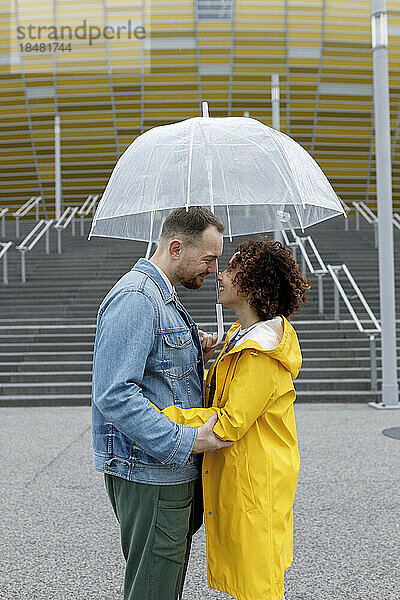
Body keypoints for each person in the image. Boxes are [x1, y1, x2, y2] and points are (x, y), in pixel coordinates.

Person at [153, 237, 309, 600]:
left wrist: (162, 417)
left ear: (254, 285)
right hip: (250, 480)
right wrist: (209, 348)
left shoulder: (260, 353)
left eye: (232, 268)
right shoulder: (243, 337)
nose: (219, 275)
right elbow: (224, 384)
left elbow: (229, 422)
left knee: (258, 587)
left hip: (256, 485)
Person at [91, 206, 233, 600]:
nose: (214, 269)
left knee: (161, 586)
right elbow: (114, 394)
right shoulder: (137, 298)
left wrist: (194, 350)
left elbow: (156, 372)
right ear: (175, 247)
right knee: (153, 590)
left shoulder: (163, 296)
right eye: (208, 259)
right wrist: (187, 443)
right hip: (153, 471)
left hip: (165, 471)